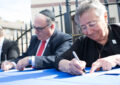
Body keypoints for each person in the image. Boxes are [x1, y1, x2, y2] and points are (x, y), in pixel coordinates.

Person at [55, 0, 120, 75]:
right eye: (83, 27)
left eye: (92, 24)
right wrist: (69, 66)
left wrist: (115, 59)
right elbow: (59, 60)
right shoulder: (83, 41)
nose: (88, 32)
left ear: (105, 17)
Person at [1, 9, 72, 71]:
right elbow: (25, 57)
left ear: (52, 26)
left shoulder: (63, 38)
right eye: (34, 28)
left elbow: (59, 59)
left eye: (39, 29)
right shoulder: (35, 39)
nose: (35, 32)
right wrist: (12, 63)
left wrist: (32, 60)